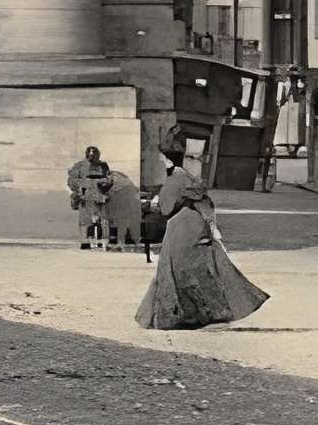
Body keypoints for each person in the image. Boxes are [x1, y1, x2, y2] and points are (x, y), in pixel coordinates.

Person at [136, 130, 269, 331]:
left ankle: (186, 314)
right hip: (196, 222)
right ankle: (205, 311)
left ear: (170, 163)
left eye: (163, 160)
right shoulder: (186, 177)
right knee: (198, 268)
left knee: (175, 269)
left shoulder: (174, 180)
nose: (161, 164)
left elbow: (165, 209)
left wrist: (149, 205)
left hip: (183, 226)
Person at [66, 146, 113, 250]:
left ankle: (102, 243)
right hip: (85, 199)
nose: (92, 156)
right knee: (85, 222)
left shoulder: (103, 166)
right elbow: (71, 181)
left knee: (102, 222)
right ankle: (85, 243)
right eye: (90, 154)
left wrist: (105, 186)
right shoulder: (79, 166)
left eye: (95, 154)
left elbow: (110, 180)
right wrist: (82, 188)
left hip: (100, 198)